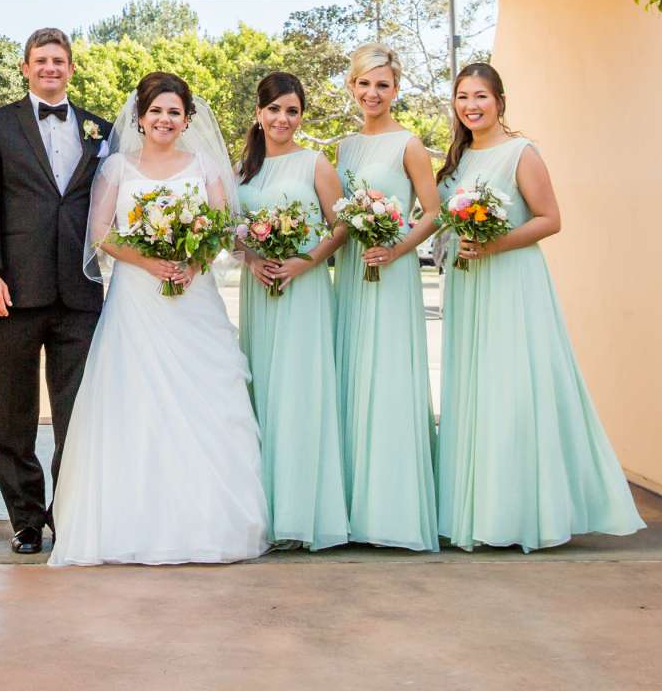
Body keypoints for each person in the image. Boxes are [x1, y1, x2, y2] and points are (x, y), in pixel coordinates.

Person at [48, 72, 268, 567]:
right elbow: (101, 233)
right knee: (136, 405)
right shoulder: (117, 170)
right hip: (136, 301)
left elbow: (222, 229)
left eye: (175, 112)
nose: (165, 120)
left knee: (205, 403)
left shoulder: (206, 167)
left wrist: (191, 264)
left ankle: (207, 523)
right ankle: (133, 525)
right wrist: (149, 262)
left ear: (187, 119)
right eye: (156, 112)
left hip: (194, 301)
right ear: (140, 118)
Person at [436, 62, 645, 551]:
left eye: (481, 96)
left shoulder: (521, 153)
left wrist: (495, 244)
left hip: (511, 281)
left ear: (500, 101)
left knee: (513, 391)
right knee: (476, 391)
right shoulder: (458, 161)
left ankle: (518, 514)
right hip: (468, 284)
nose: (471, 105)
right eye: (463, 97)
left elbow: (551, 219)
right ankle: (474, 510)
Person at [0, 26, 109, 554]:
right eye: (40, 60)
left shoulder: (102, 130)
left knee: (77, 415)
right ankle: (25, 519)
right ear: (25, 68)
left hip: (81, 293)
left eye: (59, 60)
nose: (50, 68)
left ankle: (68, 513)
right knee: (12, 413)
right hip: (13, 292)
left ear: (71, 68)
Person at [332, 42, 441, 550]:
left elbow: (432, 212)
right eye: (364, 83)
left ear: (396, 89)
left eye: (383, 84)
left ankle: (393, 512)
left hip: (391, 274)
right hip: (354, 272)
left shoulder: (410, 144)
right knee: (354, 376)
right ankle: (353, 506)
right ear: (352, 87)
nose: (373, 93)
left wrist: (397, 250)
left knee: (388, 377)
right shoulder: (345, 149)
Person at [235, 71, 350, 552]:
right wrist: (254, 258)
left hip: (303, 291)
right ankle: (266, 513)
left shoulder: (315, 163)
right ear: (259, 114)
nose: (283, 119)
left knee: (300, 393)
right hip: (259, 290)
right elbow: (230, 232)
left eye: (293, 111)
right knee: (264, 391)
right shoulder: (240, 171)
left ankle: (304, 515)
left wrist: (304, 264)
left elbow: (342, 226)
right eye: (275, 109)